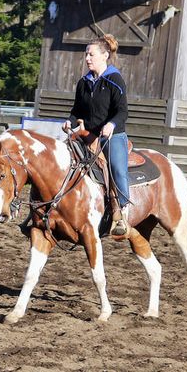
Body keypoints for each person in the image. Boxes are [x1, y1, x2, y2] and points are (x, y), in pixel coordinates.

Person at [63, 34, 130, 236]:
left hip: (113, 136)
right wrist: (70, 121)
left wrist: (111, 124)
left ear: (104, 55)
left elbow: (122, 111)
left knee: (118, 169)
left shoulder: (115, 80)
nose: (87, 58)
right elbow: (77, 111)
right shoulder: (84, 83)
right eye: (86, 54)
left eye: (91, 54)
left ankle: (123, 212)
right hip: (89, 135)